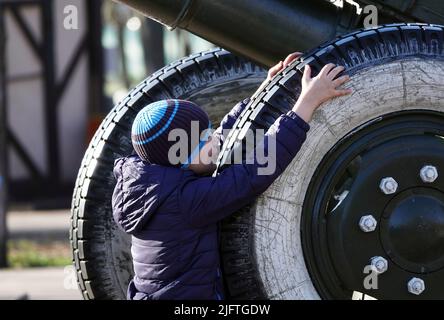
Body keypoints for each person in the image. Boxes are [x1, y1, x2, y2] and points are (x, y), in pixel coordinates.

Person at [111, 53, 352, 300]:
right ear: (181, 158)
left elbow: (224, 137)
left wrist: (264, 93)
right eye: (204, 139)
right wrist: (306, 105)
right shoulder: (185, 201)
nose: (213, 139)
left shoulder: (153, 183)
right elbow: (254, 173)